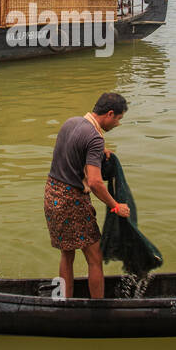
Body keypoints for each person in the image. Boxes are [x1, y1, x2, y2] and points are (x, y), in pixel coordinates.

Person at [44, 92, 131, 300]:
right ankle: (98, 309)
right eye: (118, 119)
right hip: (71, 201)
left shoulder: (71, 122)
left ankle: (64, 302)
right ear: (109, 114)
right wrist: (116, 206)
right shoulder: (94, 138)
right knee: (95, 257)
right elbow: (94, 182)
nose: (118, 124)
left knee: (67, 253)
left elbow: (74, 150)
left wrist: (100, 152)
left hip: (51, 194)